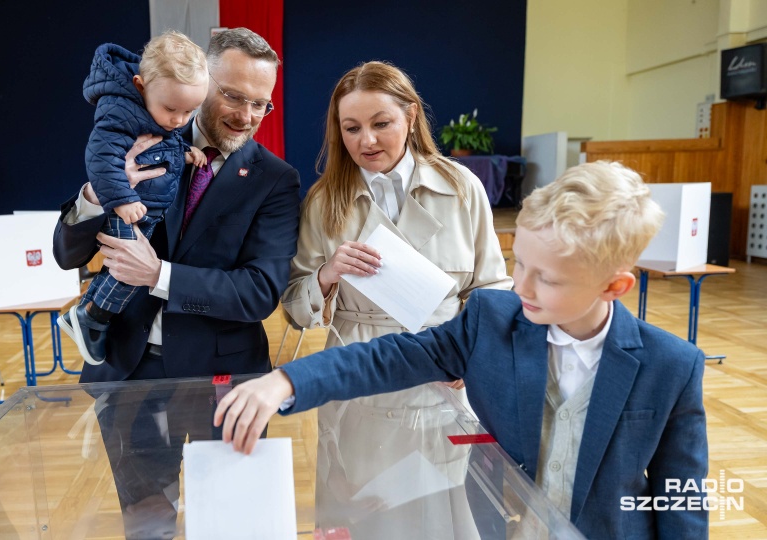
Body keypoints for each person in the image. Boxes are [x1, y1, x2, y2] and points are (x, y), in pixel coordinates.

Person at [216, 161, 709, 539]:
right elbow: (386, 358)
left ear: (615, 286)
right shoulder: (490, 319)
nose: (521, 286)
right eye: (520, 265)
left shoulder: (673, 365)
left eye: (548, 278)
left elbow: (681, 496)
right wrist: (288, 380)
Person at [52, 28, 300, 536]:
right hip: (129, 374)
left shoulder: (277, 180)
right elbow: (65, 253)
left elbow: (258, 291)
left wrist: (159, 274)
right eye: (232, 96)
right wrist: (101, 194)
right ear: (201, 82)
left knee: (232, 525)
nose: (246, 116)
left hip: (224, 385)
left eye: (261, 104)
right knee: (147, 524)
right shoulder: (137, 141)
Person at [279, 61, 511, 537]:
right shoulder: (324, 202)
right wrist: (328, 274)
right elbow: (294, 308)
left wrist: (474, 359)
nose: (367, 140)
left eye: (381, 123)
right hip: (355, 385)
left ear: (409, 116)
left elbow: (492, 290)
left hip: (443, 379)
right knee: (364, 519)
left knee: (442, 520)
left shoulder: (462, 187)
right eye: (352, 128)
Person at [59, 32, 209, 365]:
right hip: (127, 207)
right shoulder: (119, 109)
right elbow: (101, 157)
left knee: (118, 268)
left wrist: (184, 153)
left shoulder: (158, 111)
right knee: (129, 268)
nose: (180, 121)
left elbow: (164, 142)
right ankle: (94, 317)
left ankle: (83, 314)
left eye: (190, 112)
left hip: (146, 210)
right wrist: (120, 196)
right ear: (141, 86)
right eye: (173, 109)